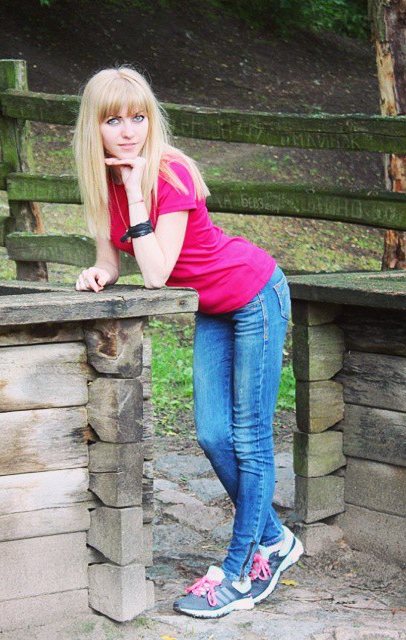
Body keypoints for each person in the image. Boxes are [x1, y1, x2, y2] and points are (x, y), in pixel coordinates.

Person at [73, 66, 303, 619]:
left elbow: (156, 273)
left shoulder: (168, 172)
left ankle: (241, 571)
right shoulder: (102, 183)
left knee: (249, 438)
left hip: (255, 293)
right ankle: (276, 538)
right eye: (113, 120)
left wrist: (136, 190)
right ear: (94, 127)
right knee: (212, 434)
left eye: (138, 117)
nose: (128, 131)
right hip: (216, 308)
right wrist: (100, 272)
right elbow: (114, 258)